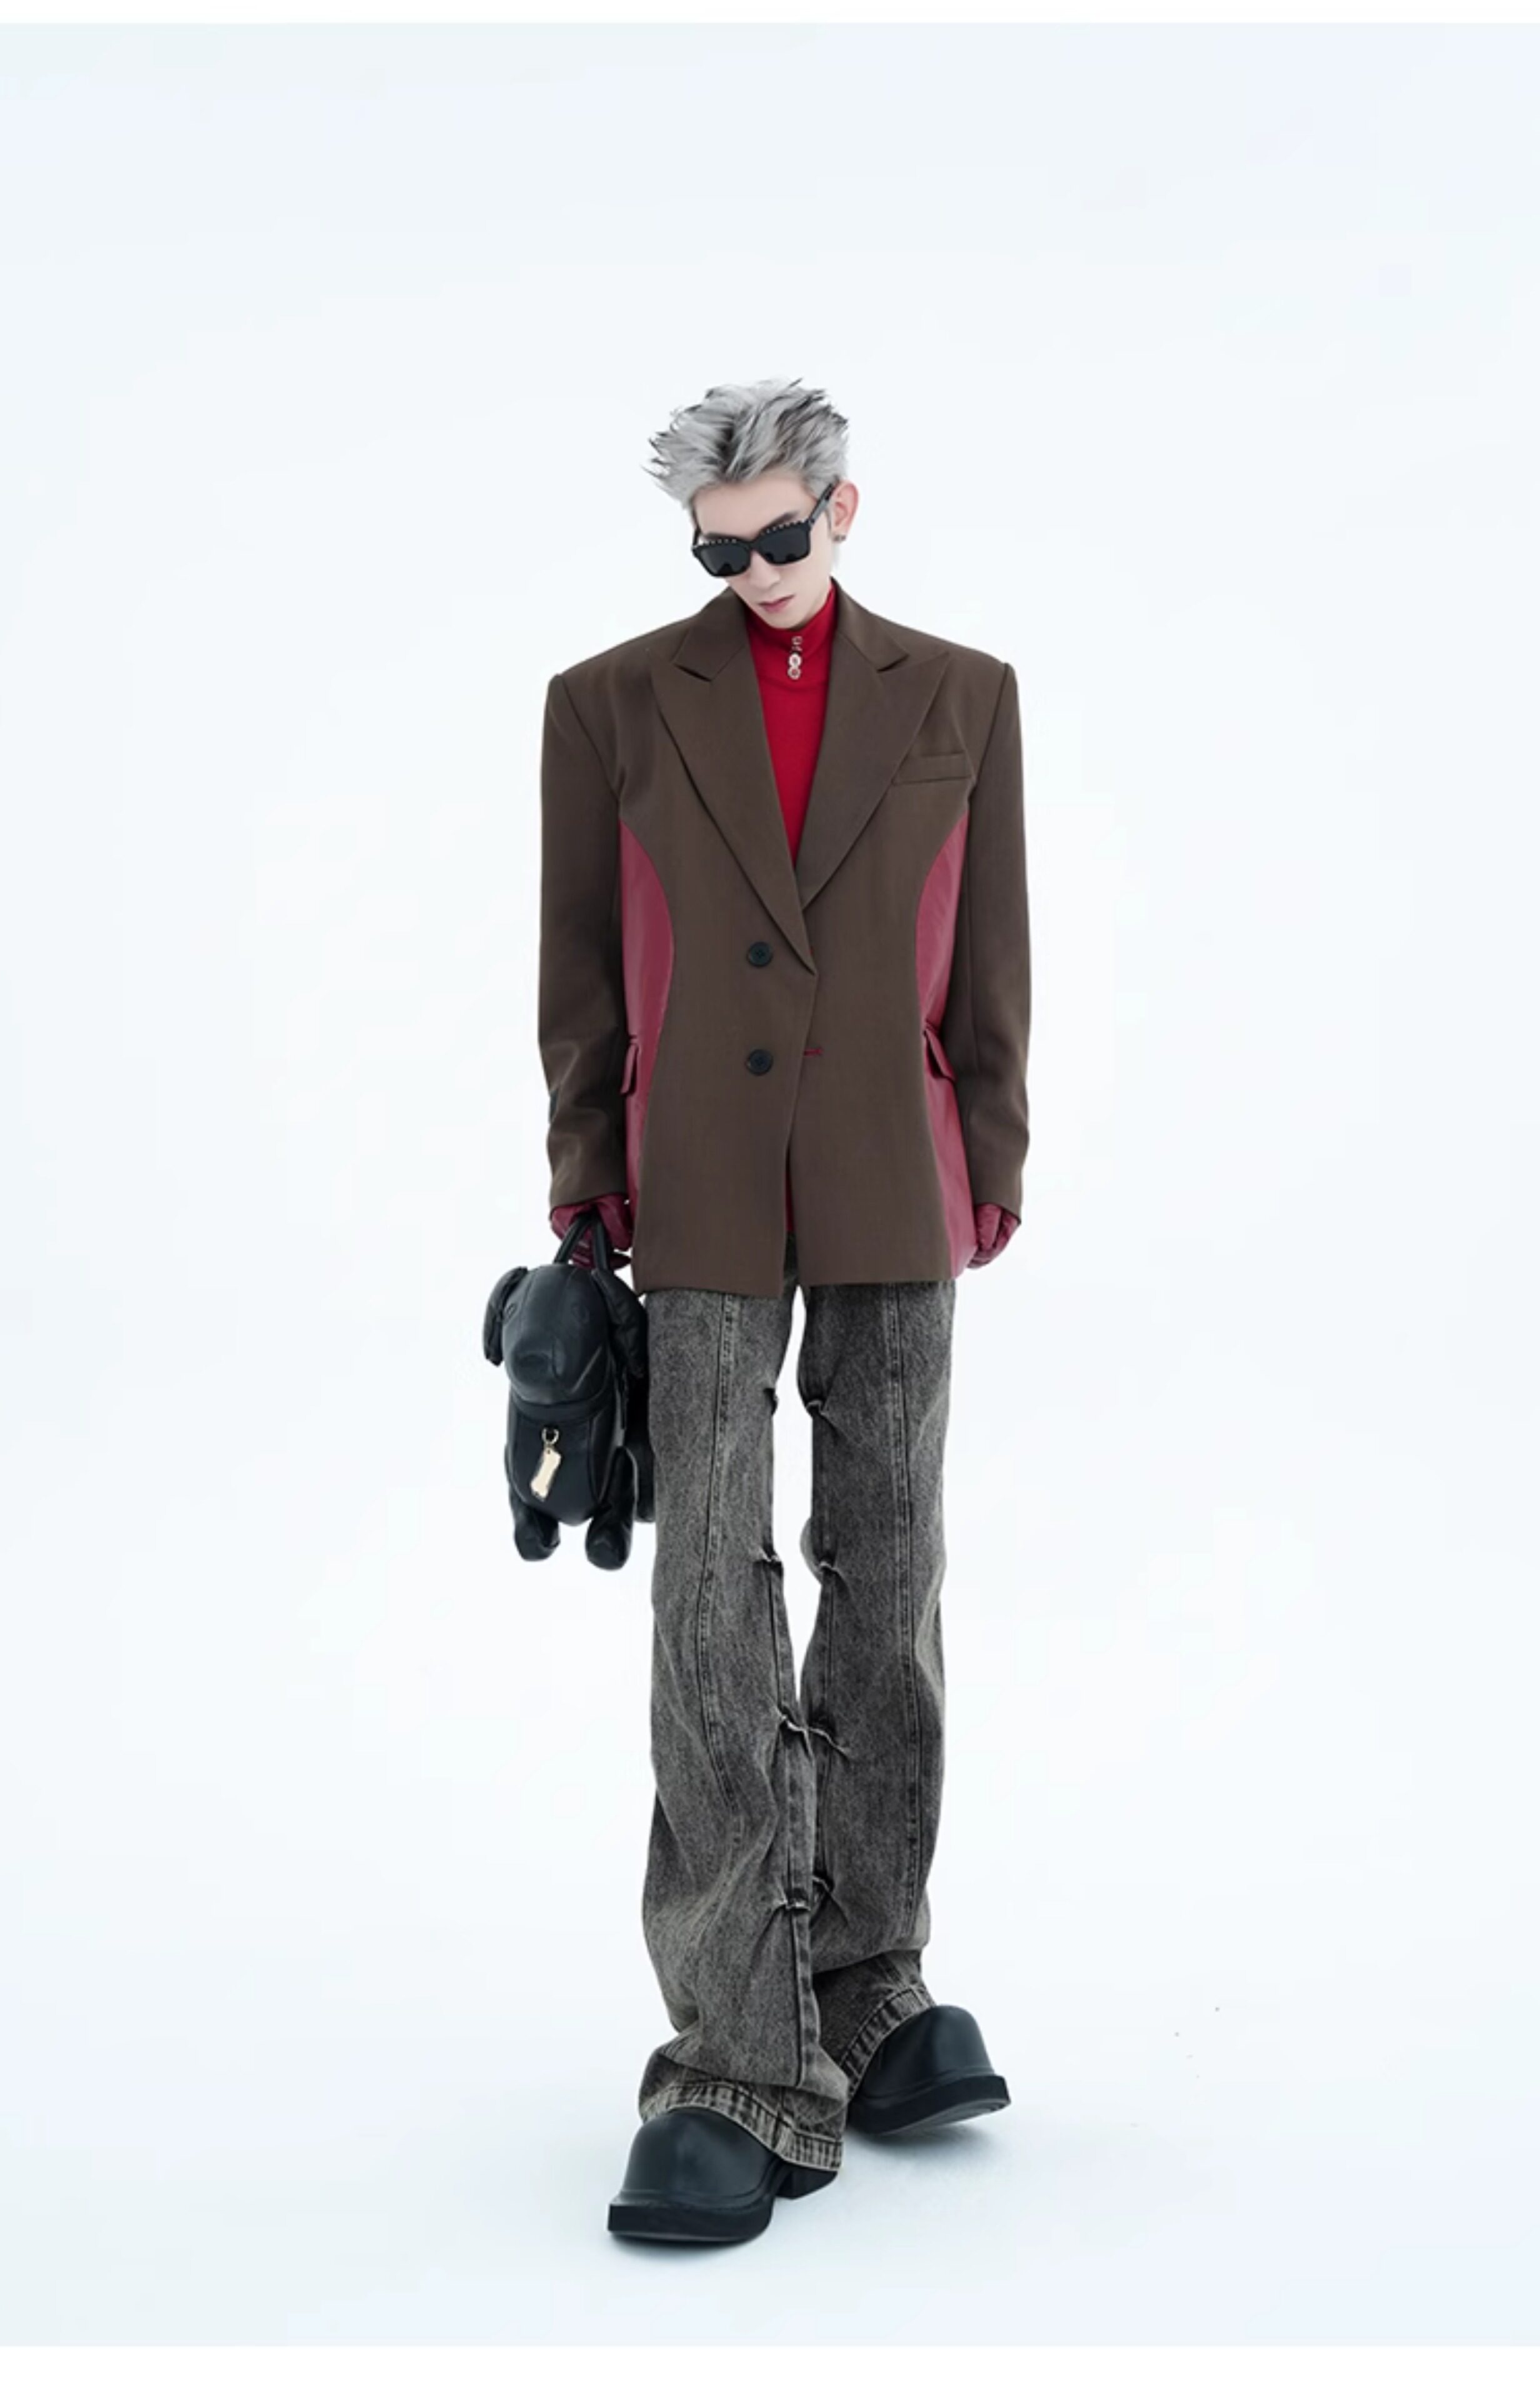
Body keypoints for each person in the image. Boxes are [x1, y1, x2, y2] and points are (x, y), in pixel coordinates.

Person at [536, 377, 1031, 2244]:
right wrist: (589, 1175)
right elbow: (580, 966)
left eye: (779, 533)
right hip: (698, 1186)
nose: (752, 570)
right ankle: (736, 2053)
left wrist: (993, 1147)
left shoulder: (963, 695)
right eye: (715, 547)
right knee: (710, 1596)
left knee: (892, 1565)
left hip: (901, 1167)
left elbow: (995, 951)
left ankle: (870, 1979)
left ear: (844, 506)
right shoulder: (609, 705)